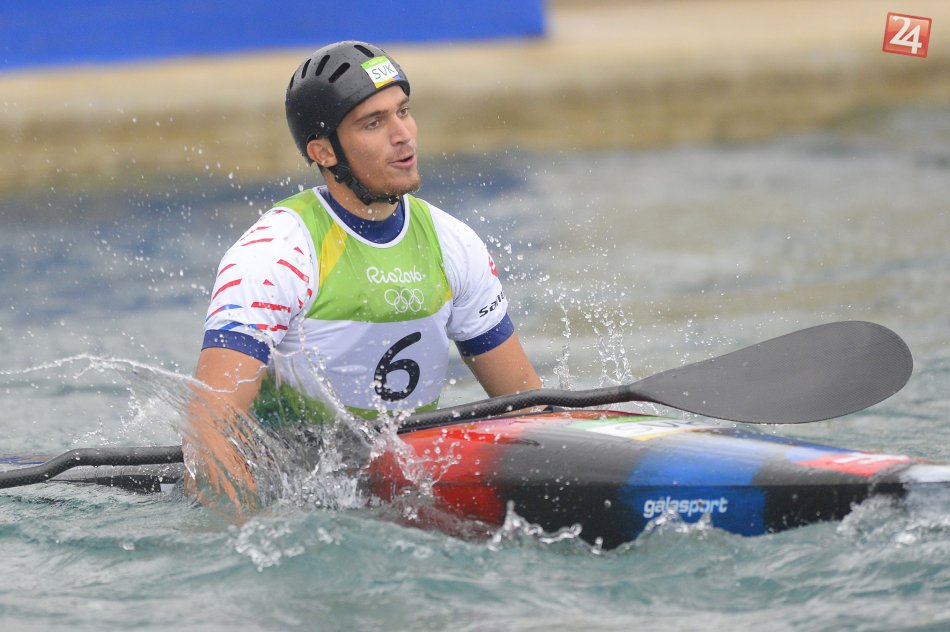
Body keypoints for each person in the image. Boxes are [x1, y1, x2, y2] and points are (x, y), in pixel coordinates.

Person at [186, 40, 542, 518]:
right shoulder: (275, 255)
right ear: (324, 151)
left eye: (404, 112)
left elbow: (526, 407)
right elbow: (208, 433)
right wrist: (246, 531)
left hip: (408, 492)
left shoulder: (453, 243)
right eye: (374, 123)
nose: (403, 136)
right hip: (299, 502)